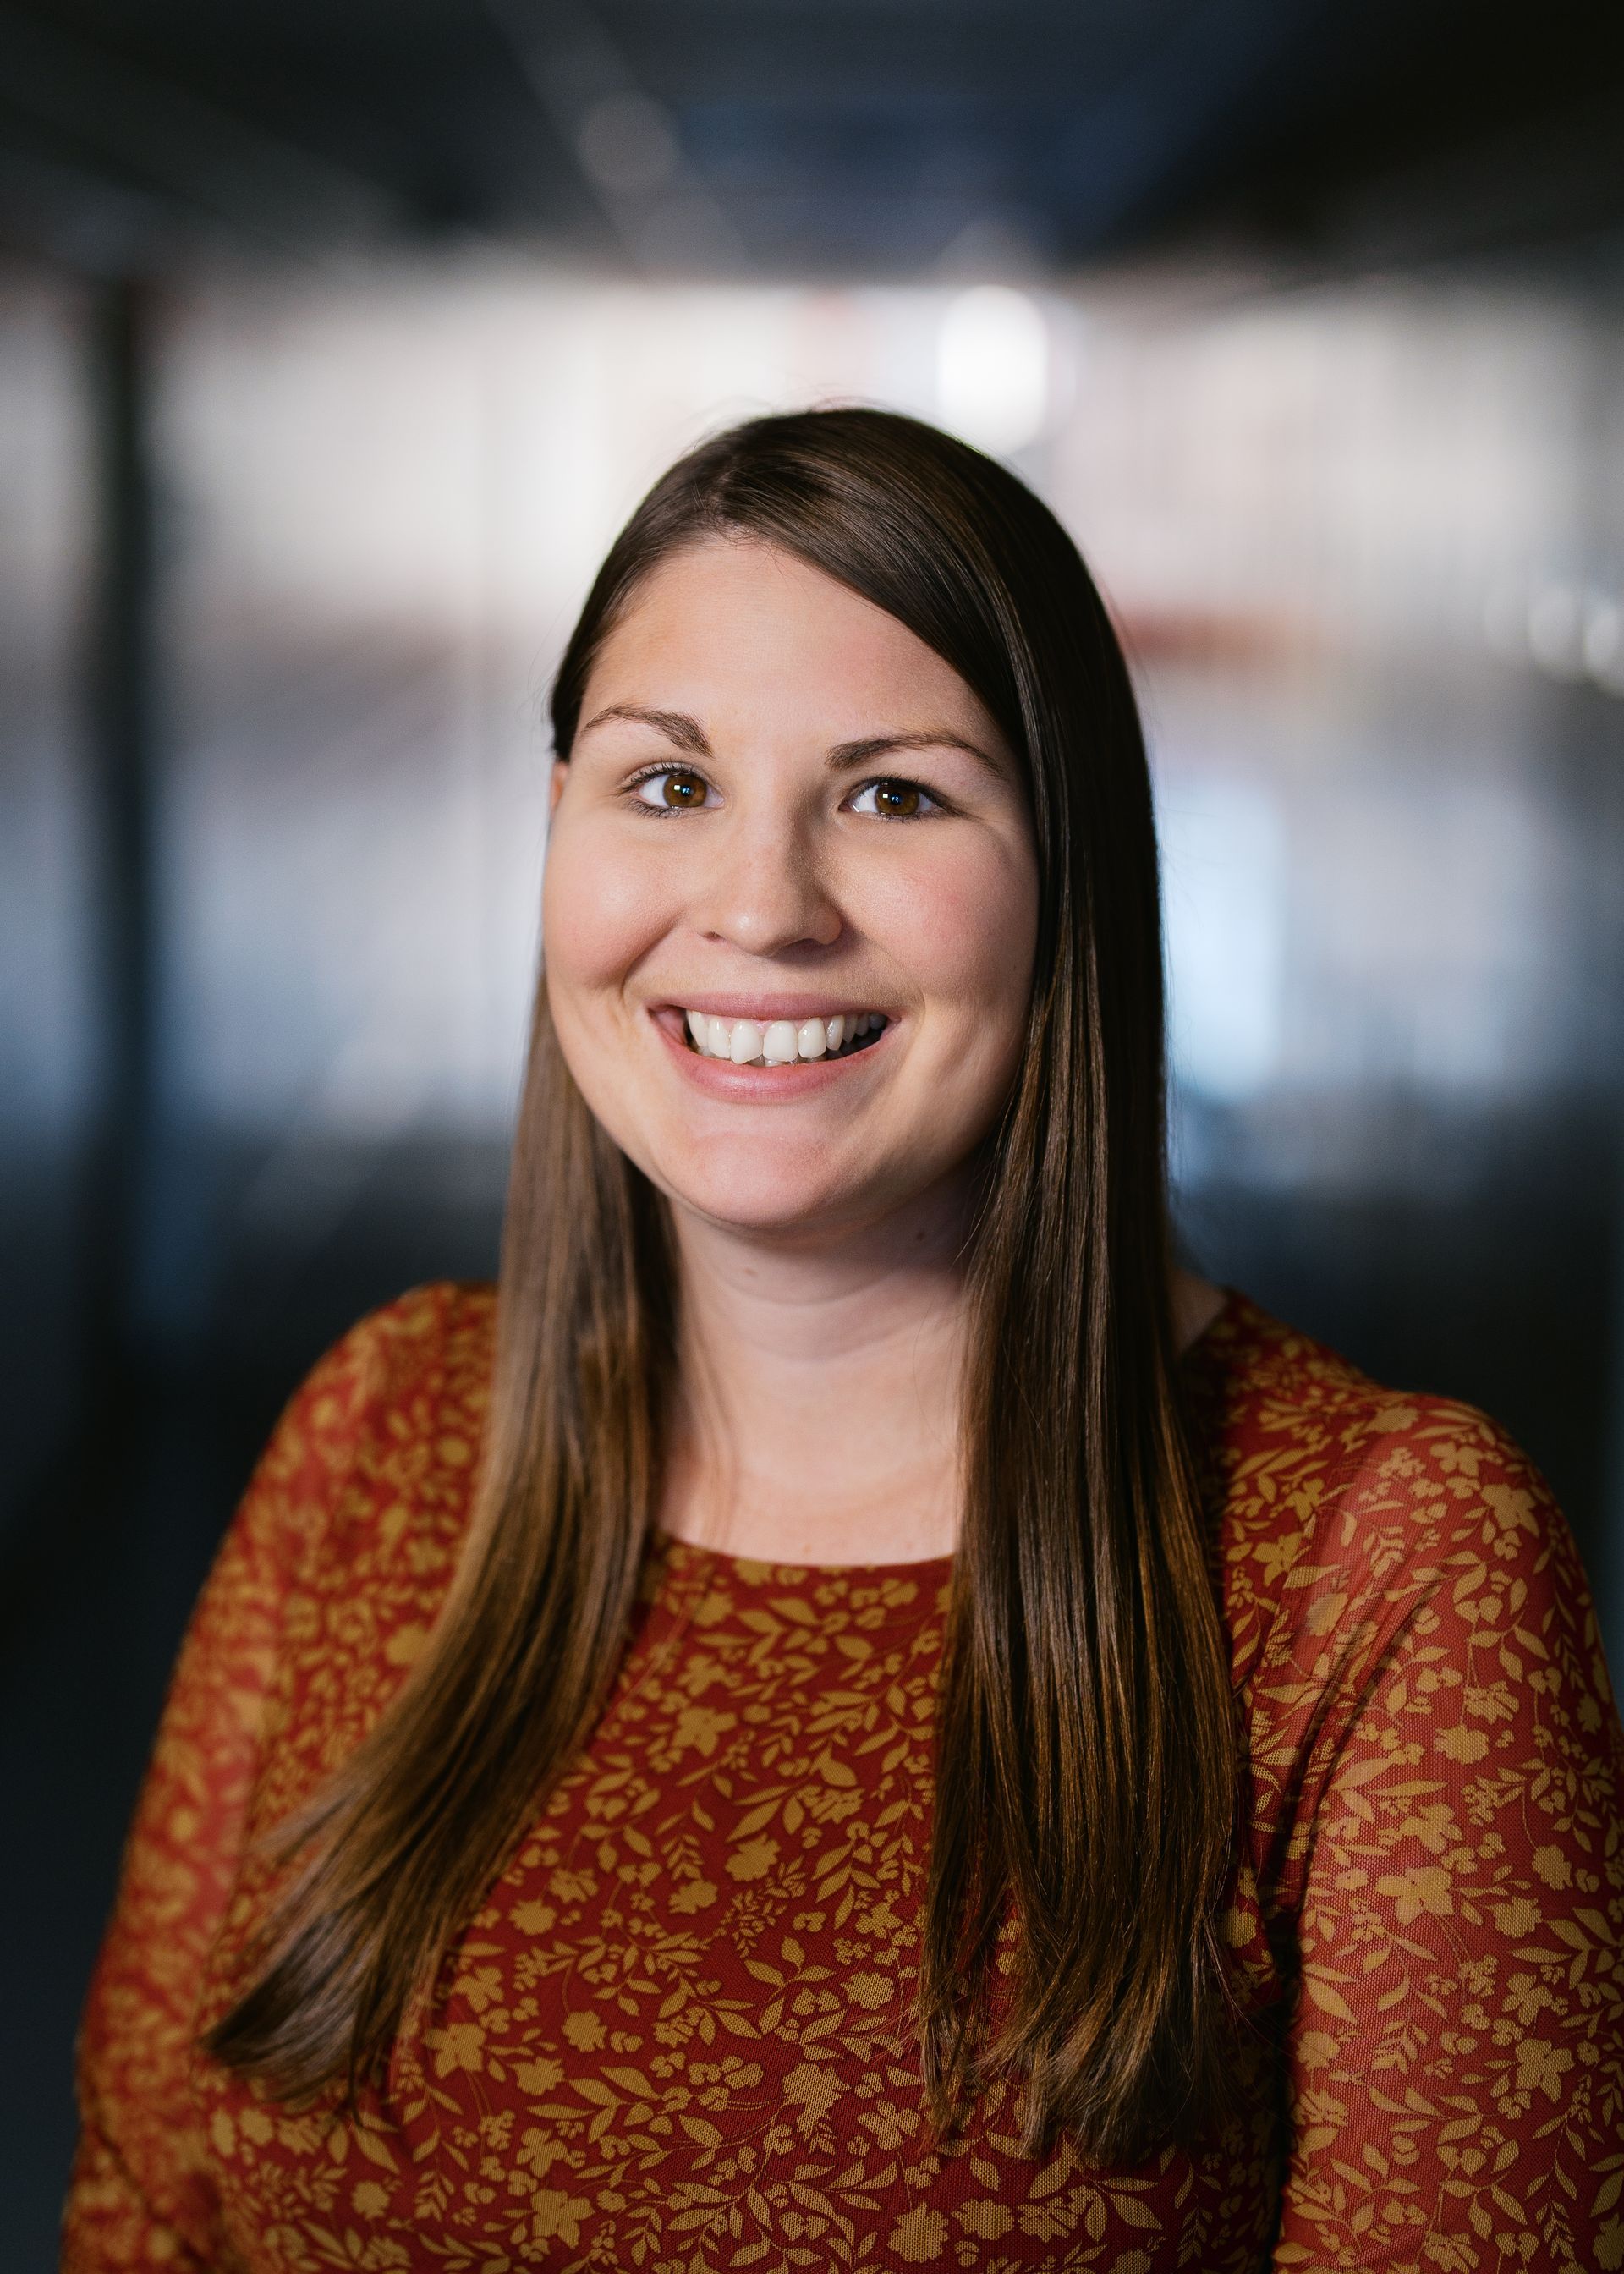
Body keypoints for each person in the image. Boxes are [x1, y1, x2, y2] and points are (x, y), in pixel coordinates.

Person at [64, 409, 1623, 2273]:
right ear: (557, 826)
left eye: (895, 795)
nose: (759, 907)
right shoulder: (383, 1431)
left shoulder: (1388, 1569)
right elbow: (147, 2207)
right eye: (667, 785)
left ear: (1071, 877)